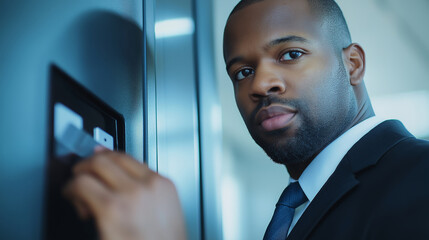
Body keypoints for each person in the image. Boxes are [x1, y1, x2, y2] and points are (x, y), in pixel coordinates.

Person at [65, 0, 429, 239]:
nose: (260, 83)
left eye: (291, 53)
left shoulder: (419, 174)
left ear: (353, 65)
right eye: (242, 72)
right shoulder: (301, 205)